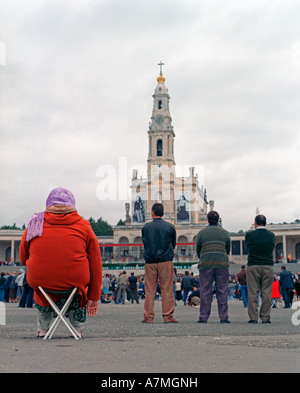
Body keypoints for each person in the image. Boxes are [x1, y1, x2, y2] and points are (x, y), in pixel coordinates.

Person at [19, 187, 102, 337]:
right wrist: (94, 297)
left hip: (41, 281)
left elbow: (22, 258)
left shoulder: (35, 223)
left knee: (41, 290)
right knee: (79, 289)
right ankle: (76, 328)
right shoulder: (84, 226)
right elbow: (96, 264)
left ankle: (43, 328)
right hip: (75, 282)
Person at [141, 203, 177, 323]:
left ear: (152, 213)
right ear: (163, 213)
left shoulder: (146, 227)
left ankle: (148, 316)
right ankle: (167, 316)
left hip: (150, 261)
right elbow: (173, 244)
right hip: (165, 261)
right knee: (166, 289)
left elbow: (145, 243)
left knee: (150, 289)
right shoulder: (170, 227)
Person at [196, 210, 231, 323]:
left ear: (207, 220)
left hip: (206, 264)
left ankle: (203, 317)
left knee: (205, 290)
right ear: (218, 220)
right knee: (222, 290)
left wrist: (204, 257)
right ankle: (224, 317)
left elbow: (198, 249)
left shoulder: (201, 233)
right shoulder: (225, 233)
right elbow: (227, 249)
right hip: (221, 264)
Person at [245, 214, 275, 324]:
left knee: (253, 292)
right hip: (268, 265)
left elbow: (248, 246)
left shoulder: (249, 234)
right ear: (266, 223)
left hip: (253, 265)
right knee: (266, 293)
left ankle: (253, 318)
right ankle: (265, 317)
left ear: (255, 223)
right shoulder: (271, 235)